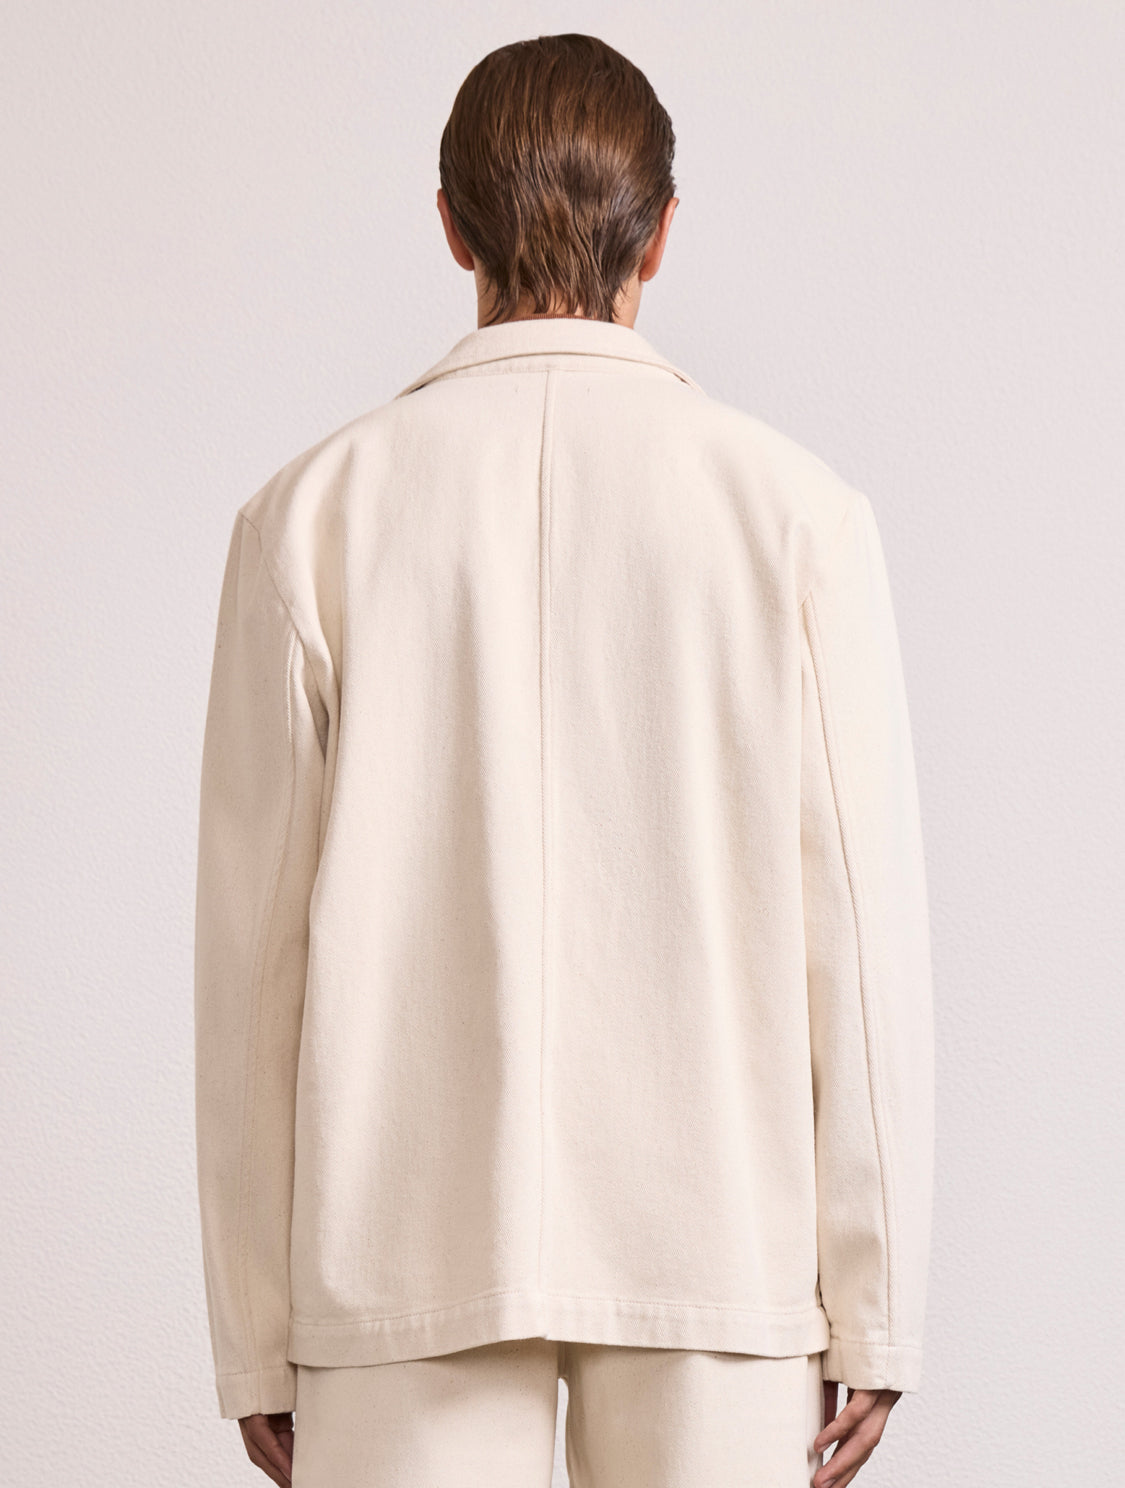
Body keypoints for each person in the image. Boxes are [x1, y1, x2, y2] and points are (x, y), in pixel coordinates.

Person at [193, 32, 935, 1488]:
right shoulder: (797, 516)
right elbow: (857, 930)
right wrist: (878, 1300)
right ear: (659, 236)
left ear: (450, 226)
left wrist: (255, 1328)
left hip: (397, 1238)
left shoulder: (311, 517)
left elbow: (253, 960)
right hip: (718, 1237)